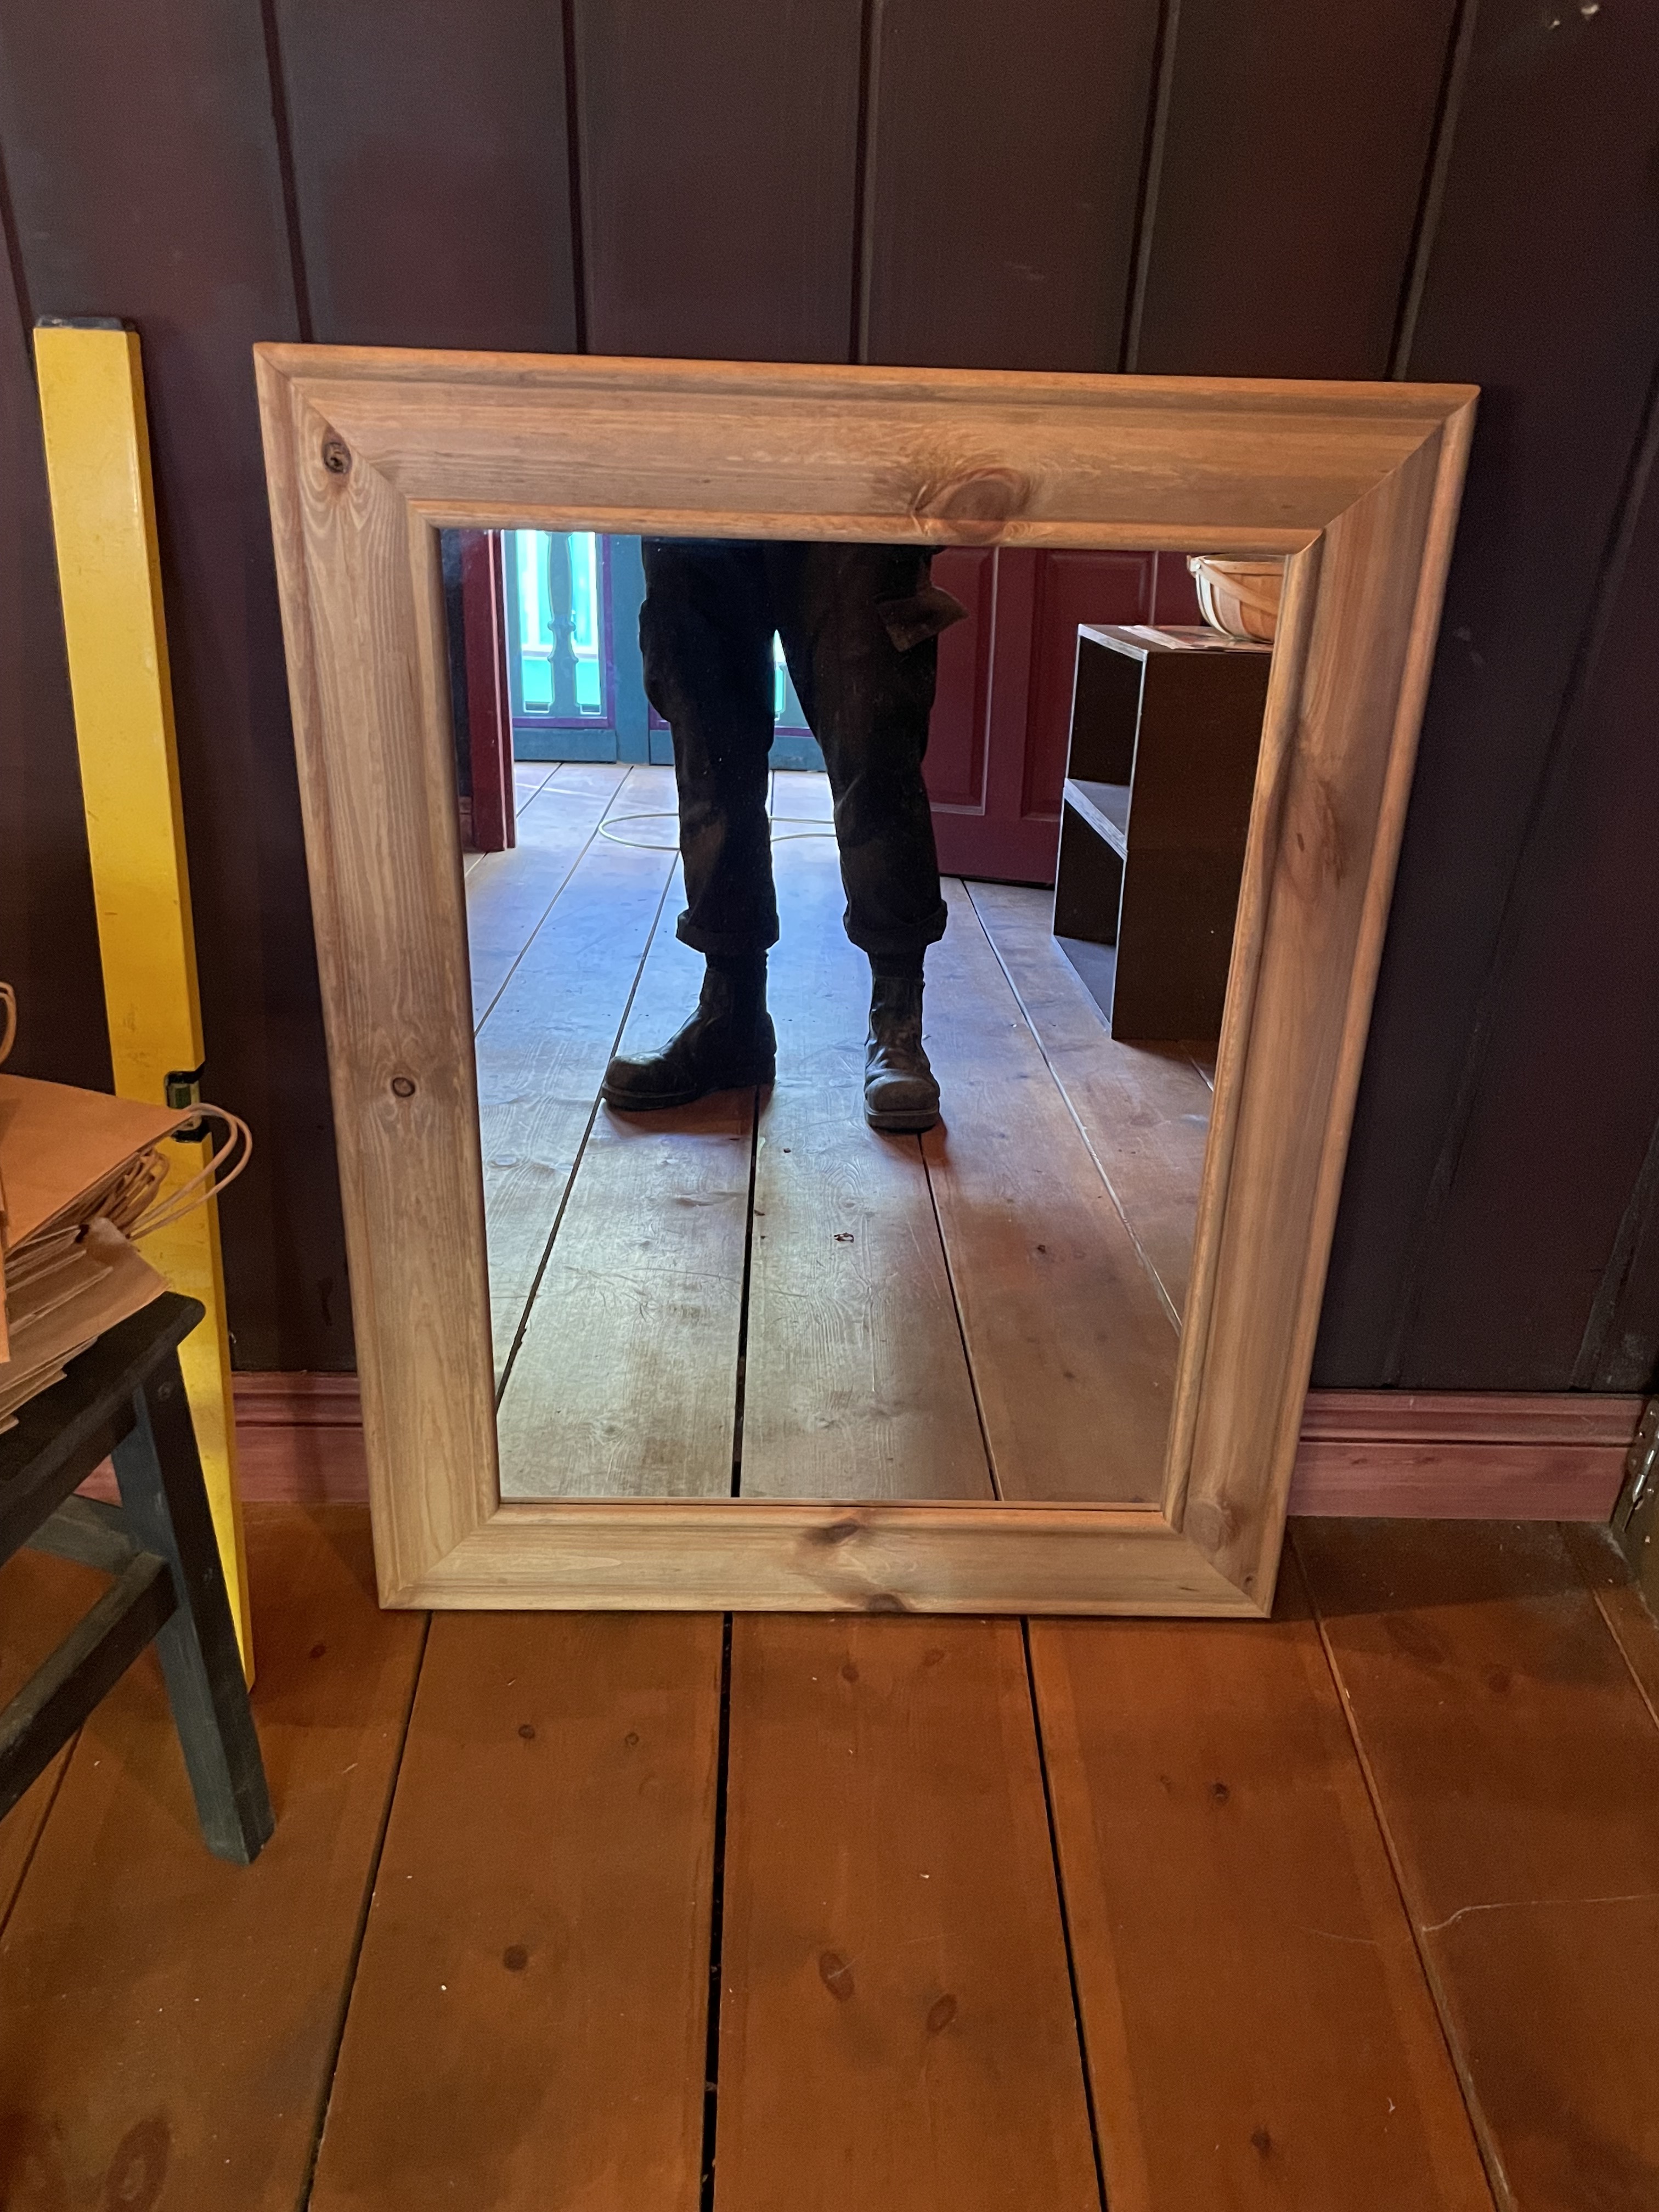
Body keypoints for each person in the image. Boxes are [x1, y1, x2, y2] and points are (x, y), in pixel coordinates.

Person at [600, 539, 964, 1132]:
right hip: (697, 498)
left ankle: (898, 1022)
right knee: (710, 764)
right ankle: (732, 1016)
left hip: (853, 495)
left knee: (875, 758)